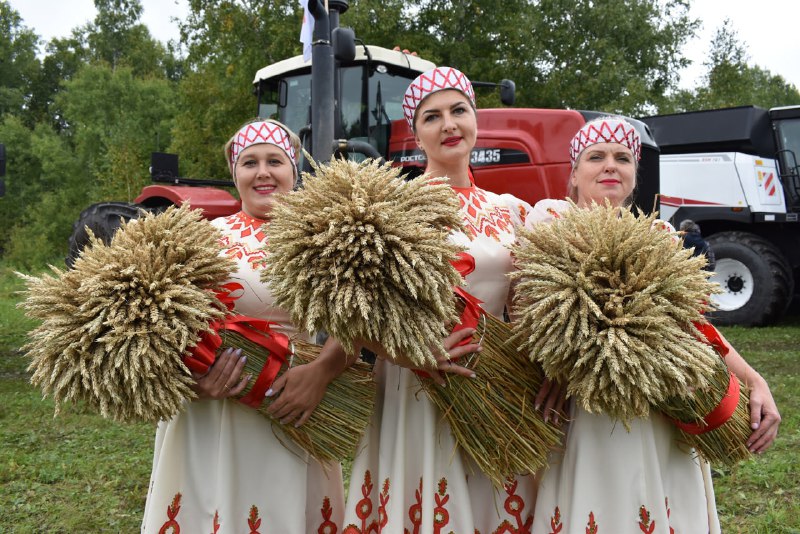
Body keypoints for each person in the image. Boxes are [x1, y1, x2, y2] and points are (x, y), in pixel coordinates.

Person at [529, 117, 781, 534]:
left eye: (623, 158)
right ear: (573, 174)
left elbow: (693, 328)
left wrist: (753, 379)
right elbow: (529, 311)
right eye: (596, 156)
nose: (611, 165)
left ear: (633, 177)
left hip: (660, 406)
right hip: (589, 413)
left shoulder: (661, 234)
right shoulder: (549, 221)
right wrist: (556, 360)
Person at [343, 67, 539, 532]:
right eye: (432, 117)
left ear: (476, 120)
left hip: (497, 383)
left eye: (459, 111)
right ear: (415, 134)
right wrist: (407, 354)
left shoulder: (513, 211)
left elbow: (528, 307)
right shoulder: (390, 207)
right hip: (416, 383)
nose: (449, 124)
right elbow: (352, 309)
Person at [141, 119, 348, 533]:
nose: (263, 172)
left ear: (294, 170)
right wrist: (193, 385)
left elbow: (357, 325)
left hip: (296, 408)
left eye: (275, 160)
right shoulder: (201, 241)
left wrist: (323, 371)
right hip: (214, 413)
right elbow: (156, 331)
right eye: (249, 162)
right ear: (235, 174)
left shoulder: (328, 238)